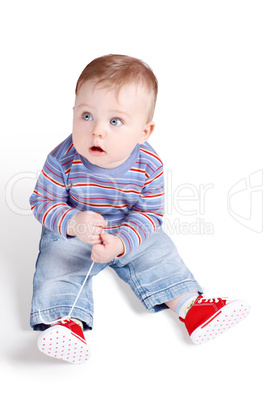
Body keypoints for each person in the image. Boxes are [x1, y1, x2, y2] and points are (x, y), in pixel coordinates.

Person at [29, 54, 250, 364]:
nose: (97, 131)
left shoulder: (150, 165)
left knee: (158, 252)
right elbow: (43, 203)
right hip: (75, 227)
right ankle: (66, 323)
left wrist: (121, 243)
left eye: (115, 121)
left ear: (144, 132)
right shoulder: (61, 159)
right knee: (56, 265)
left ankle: (191, 306)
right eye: (87, 115)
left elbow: (149, 215)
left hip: (126, 225)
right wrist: (72, 222)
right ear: (74, 113)